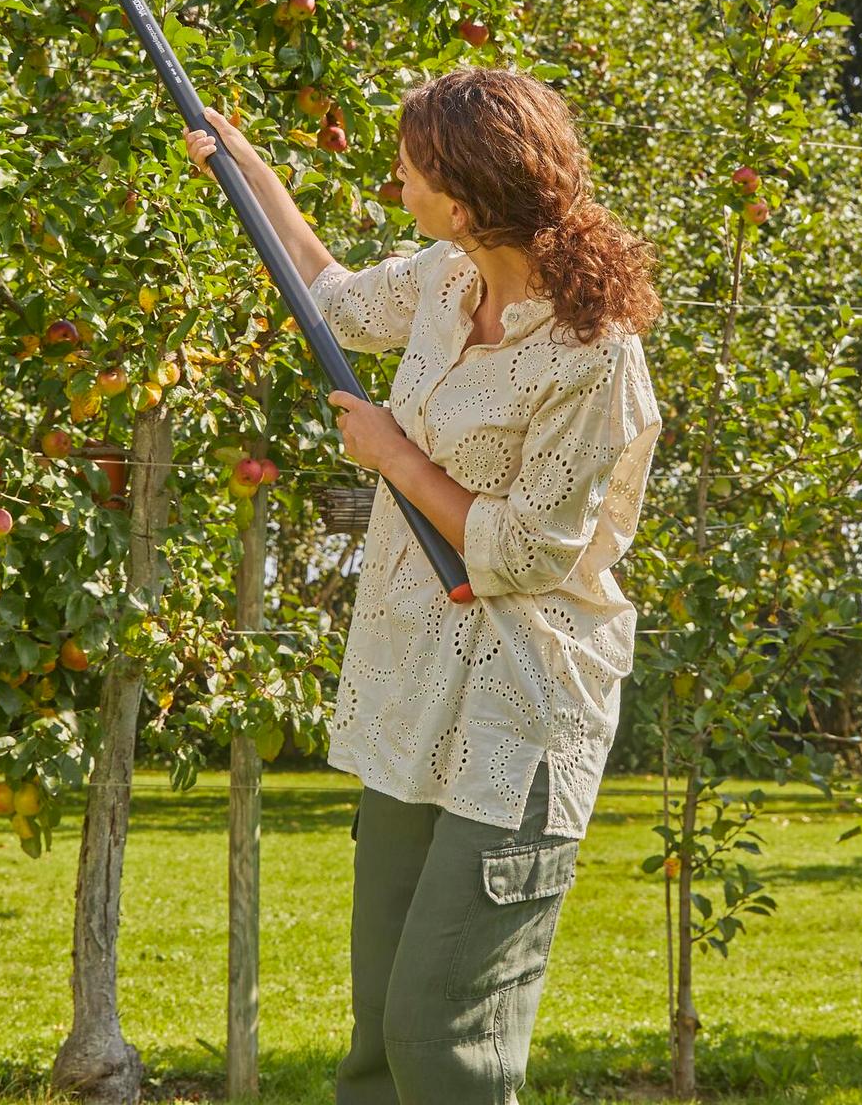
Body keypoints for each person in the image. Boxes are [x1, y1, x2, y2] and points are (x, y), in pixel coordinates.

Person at [183, 66, 663, 1105]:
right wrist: (240, 160)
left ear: (466, 197)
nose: (394, 177)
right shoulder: (446, 283)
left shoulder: (592, 358)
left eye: (411, 166)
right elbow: (331, 297)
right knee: (377, 1043)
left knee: (444, 1038)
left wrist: (398, 459)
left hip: (520, 714)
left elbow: (532, 551)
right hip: (414, 697)